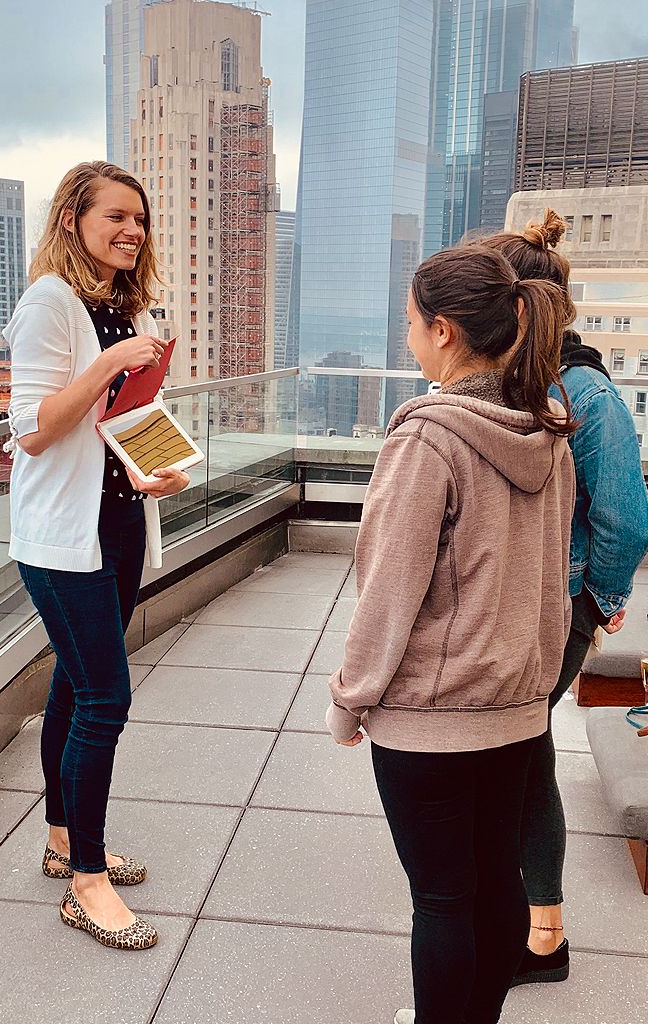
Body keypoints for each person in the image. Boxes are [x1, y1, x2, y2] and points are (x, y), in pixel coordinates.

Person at [326, 246, 576, 1024]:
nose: (407, 338)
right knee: (499, 883)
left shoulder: (429, 437)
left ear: (443, 331)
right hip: (515, 708)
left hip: (432, 722)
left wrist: (351, 699)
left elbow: (388, 588)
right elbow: (550, 580)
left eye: (409, 324)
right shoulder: (547, 429)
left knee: (441, 901)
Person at [5, 161, 190, 949]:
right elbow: (34, 427)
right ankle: (86, 883)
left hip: (115, 523)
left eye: (139, 219)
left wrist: (149, 465)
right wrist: (113, 362)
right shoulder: (50, 303)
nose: (131, 230)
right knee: (106, 700)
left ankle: (61, 839)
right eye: (115, 216)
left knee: (76, 688)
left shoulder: (124, 303)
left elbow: (117, 420)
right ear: (73, 218)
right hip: (60, 537)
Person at [475, 210, 648, 984]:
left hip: (554, 610)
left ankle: (540, 930)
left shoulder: (586, 394)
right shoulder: (501, 381)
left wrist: (593, 603)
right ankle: (534, 922)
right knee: (521, 751)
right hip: (504, 607)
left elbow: (624, 518)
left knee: (517, 751)